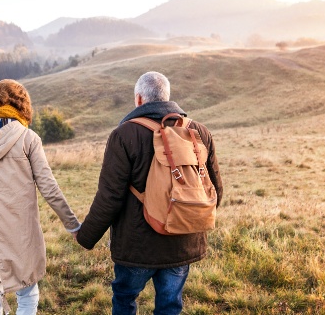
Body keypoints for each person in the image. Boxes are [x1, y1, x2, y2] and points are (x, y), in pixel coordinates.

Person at [75, 71, 223, 315]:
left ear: (139, 100)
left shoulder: (123, 135)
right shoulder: (199, 132)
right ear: (166, 96)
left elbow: (110, 197)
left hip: (136, 247)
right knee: (170, 305)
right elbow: (215, 190)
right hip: (182, 242)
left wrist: (85, 237)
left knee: (124, 299)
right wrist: (187, 217)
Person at [0, 79, 81, 315]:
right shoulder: (28, 139)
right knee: (28, 293)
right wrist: (72, 224)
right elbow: (49, 187)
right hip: (21, 232)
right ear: (22, 106)